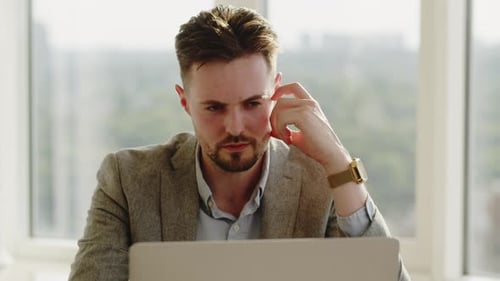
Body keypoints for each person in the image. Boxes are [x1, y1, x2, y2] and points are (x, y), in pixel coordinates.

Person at [69, 4, 410, 281]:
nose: (235, 127)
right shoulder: (127, 180)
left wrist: (339, 163)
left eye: (252, 104)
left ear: (276, 92)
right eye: (215, 107)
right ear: (185, 101)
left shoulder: (324, 182)